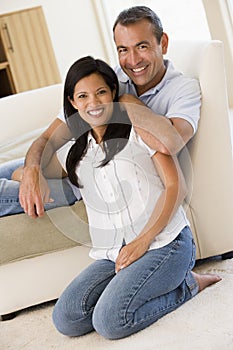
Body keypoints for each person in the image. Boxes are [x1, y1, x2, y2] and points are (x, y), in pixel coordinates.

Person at [51, 55, 220, 340]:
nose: (94, 103)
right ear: (72, 103)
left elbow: (175, 187)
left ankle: (188, 284)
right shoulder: (77, 153)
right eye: (83, 96)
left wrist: (142, 241)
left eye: (101, 92)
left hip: (166, 243)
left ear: (114, 94)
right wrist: (30, 169)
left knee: (110, 322)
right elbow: (35, 170)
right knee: (67, 318)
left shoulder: (139, 133)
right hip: (115, 253)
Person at [0, 6, 201, 219]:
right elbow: (48, 137)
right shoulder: (108, 79)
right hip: (62, 160)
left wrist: (125, 102)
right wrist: (32, 170)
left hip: (82, 180)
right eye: (123, 49)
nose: (133, 60)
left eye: (142, 46)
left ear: (164, 43)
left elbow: (171, 143)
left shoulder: (183, 89)